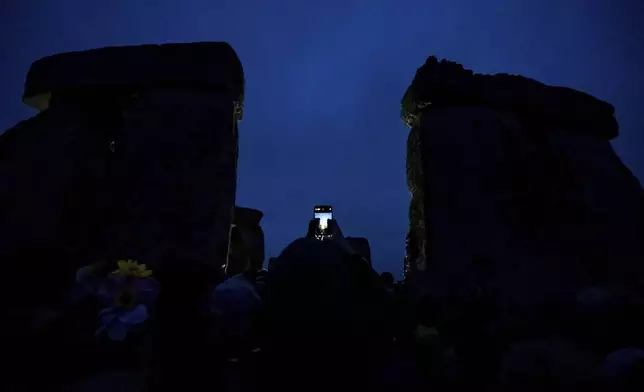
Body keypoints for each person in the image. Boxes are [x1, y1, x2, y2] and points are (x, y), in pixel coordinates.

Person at [261, 218, 390, 391]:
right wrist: (346, 248)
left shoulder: (292, 256)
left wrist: (306, 242)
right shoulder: (350, 328)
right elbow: (379, 296)